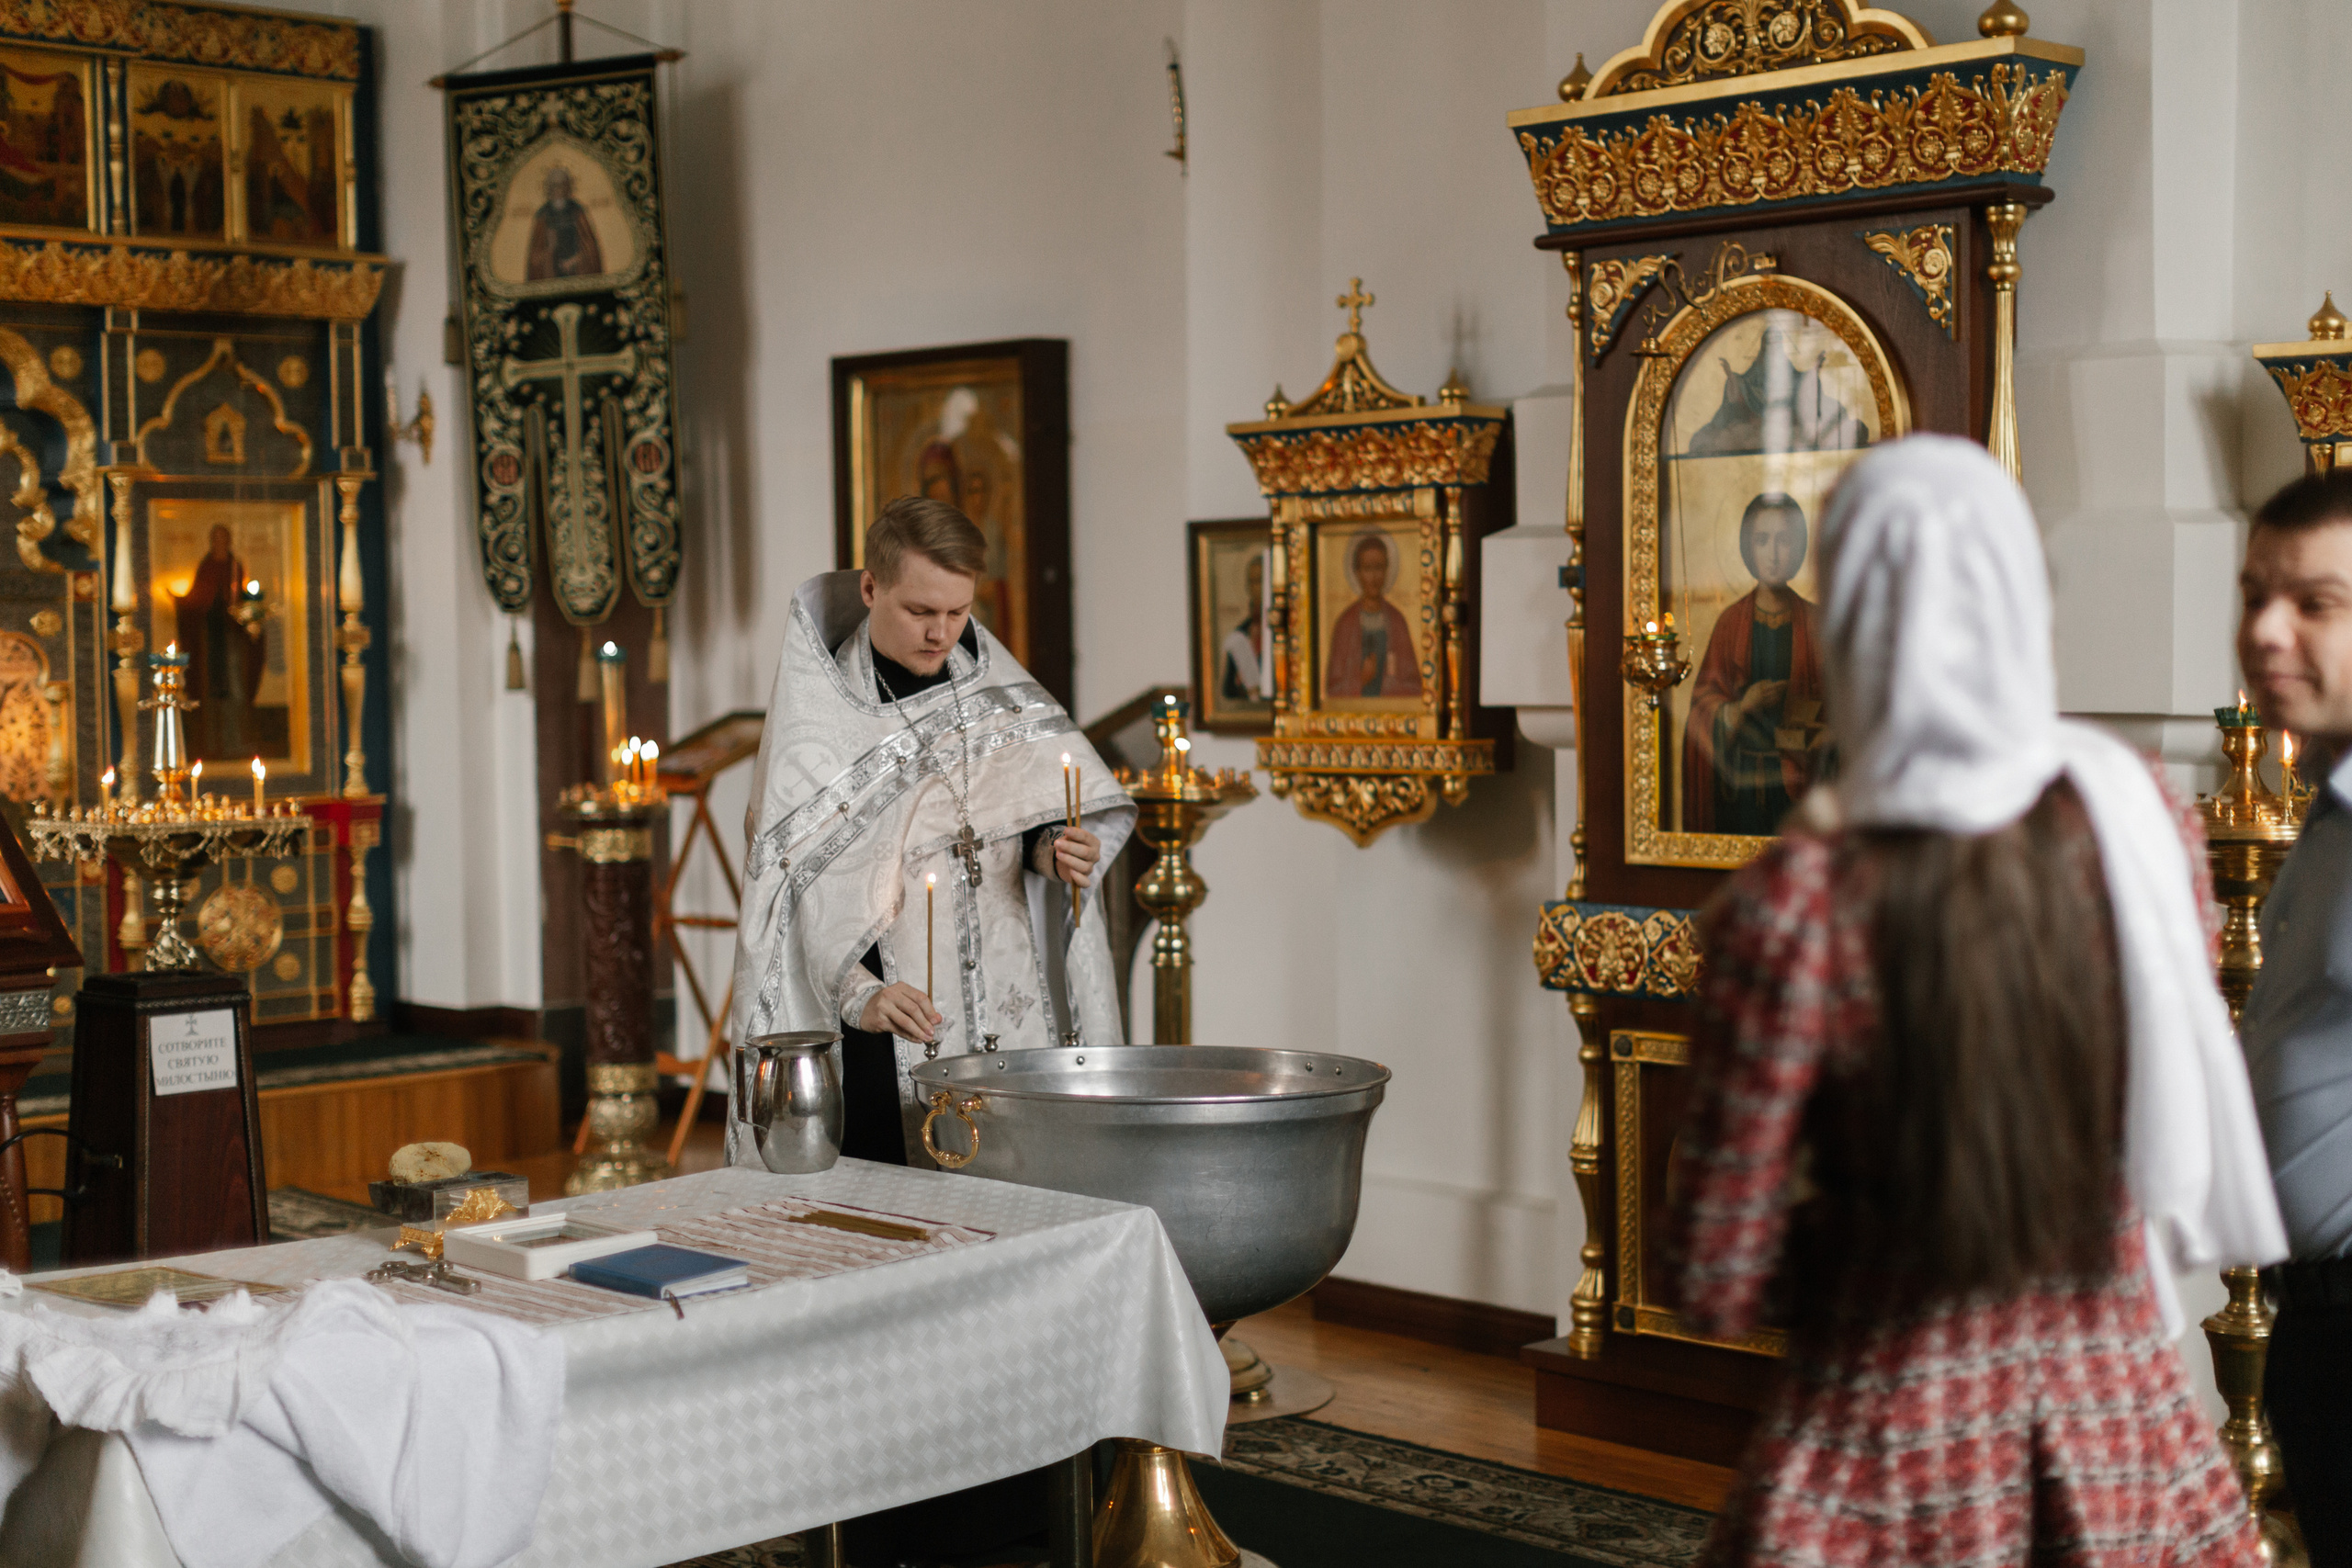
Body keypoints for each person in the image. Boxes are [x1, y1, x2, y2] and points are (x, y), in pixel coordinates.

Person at [1669, 435, 2285, 1567]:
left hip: (1880, 1461)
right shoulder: (2142, 823)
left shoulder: (1801, 901)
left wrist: (1861, 1251)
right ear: (2024, 606)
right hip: (2120, 1438)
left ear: (1843, 625)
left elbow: (1711, 1275)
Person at [2235, 468, 2352, 1567]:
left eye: (2315, 603)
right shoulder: (2328, 808)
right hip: (2313, 1311)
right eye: (2253, 594)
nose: (2266, 631)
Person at [1681, 491, 1825, 834]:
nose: (1773, 554)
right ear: (1748, 548)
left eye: (1784, 541)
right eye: (1762, 541)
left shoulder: (1817, 624)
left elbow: (1841, 709)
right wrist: (1740, 708)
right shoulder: (1730, 624)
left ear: (1800, 547)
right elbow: (1701, 708)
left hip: (1801, 790)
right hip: (1740, 791)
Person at [1324, 533, 1419, 699]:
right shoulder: (1345, 624)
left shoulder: (1397, 622)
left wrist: (1391, 684)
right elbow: (1332, 690)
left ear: (1387, 570)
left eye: (1379, 567)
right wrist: (1361, 680)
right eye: (1367, 568)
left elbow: (1415, 687)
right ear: (1357, 572)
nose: (1374, 577)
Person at [525, 164, 603, 281]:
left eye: (562, 185)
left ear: (568, 187)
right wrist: (550, 249)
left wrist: (575, 260)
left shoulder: (577, 211)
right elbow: (535, 260)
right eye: (554, 186)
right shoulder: (543, 216)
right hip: (551, 278)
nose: (558, 190)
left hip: (578, 276)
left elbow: (591, 249)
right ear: (548, 188)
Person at [1219, 551, 1265, 703]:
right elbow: (1228, 689)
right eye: (1252, 581)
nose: (1256, 587)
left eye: (1260, 580)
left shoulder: (1282, 633)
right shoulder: (1240, 635)